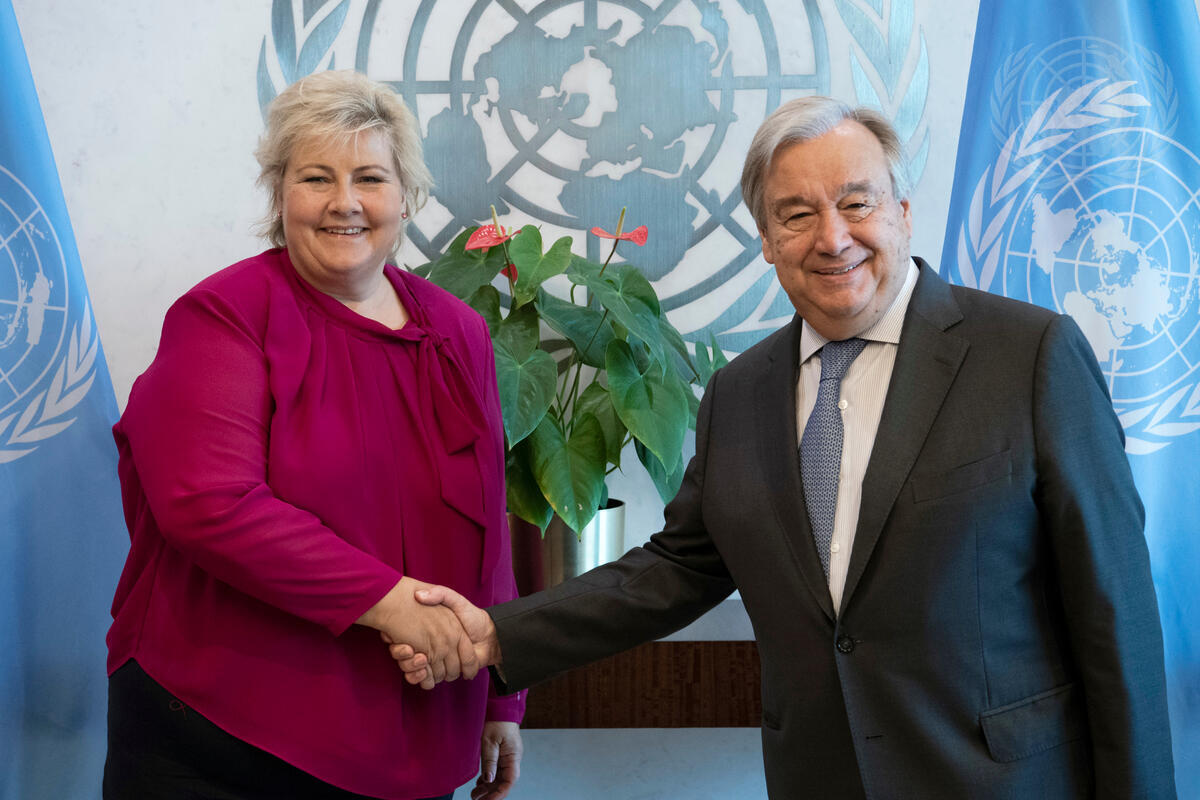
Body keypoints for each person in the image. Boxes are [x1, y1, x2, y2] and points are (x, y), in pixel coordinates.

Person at [393, 97, 1176, 798]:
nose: (833, 238)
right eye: (796, 215)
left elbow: (1114, 612)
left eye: (856, 203)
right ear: (768, 241)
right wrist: (495, 634)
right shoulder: (740, 394)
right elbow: (676, 569)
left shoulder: (1029, 356)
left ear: (903, 211)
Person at [102, 70, 524, 800]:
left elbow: (488, 526)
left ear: (405, 196)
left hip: (418, 728)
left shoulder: (460, 332)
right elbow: (210, 504)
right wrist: (391, 602)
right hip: (223, 731)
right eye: (316, 177)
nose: (344, 202)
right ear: (280, 195)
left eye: (370, 178)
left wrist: (500, 695)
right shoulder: (224, 315)